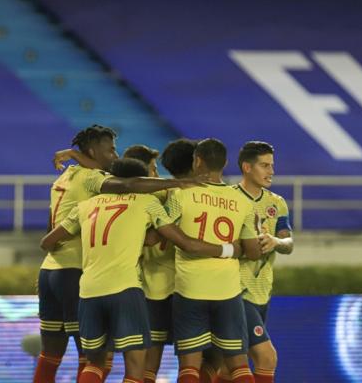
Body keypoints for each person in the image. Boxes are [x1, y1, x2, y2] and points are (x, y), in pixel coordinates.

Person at [41, 158, 242, 383]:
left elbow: (47, 242)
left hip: (88, 291)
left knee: (94, 364)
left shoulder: (86, 206)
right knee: (136, 369)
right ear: (141, 181)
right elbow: (185, 243)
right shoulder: (146, 202)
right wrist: (228, 249)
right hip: (125, 289)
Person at [164, 138, 262, 383]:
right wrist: (233, 249)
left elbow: (159, 235)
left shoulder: (180, 195)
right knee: (239, 364)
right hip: (227, 290)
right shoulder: (243, 201)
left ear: (197, 161)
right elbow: (252, 251)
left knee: (189, 367)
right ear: (226, 162)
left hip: (190, 288)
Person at [214, 141, 294, 383]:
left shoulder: (276, 203)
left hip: (261, 292)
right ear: (247, 167)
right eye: (264, 165)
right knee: (266, 357)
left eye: (272, 165)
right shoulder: (227, 199)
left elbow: (288, 243)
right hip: (236, 291)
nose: (271, 171)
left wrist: (275, 242)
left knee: (228, 368)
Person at [140, 139, 197, 383]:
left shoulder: (150, 196)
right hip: (188, 287)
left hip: (152, 287)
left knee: (147, 367)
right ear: (197, 162)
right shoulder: (194, 197)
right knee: (194, 362)